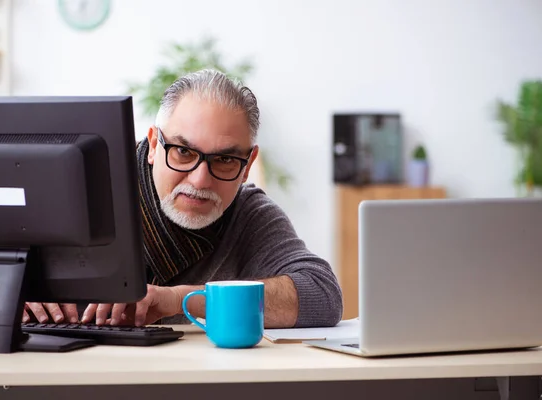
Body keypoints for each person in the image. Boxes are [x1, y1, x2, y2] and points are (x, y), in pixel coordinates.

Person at [23, 69, 343, 328]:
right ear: (152, 145)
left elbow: (323, 295)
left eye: (226, 160)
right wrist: (13, 290)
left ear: (248, 166)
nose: (200, 179)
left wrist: (179, 300)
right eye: (183, 151)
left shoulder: (250, 214)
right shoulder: (79, 193)